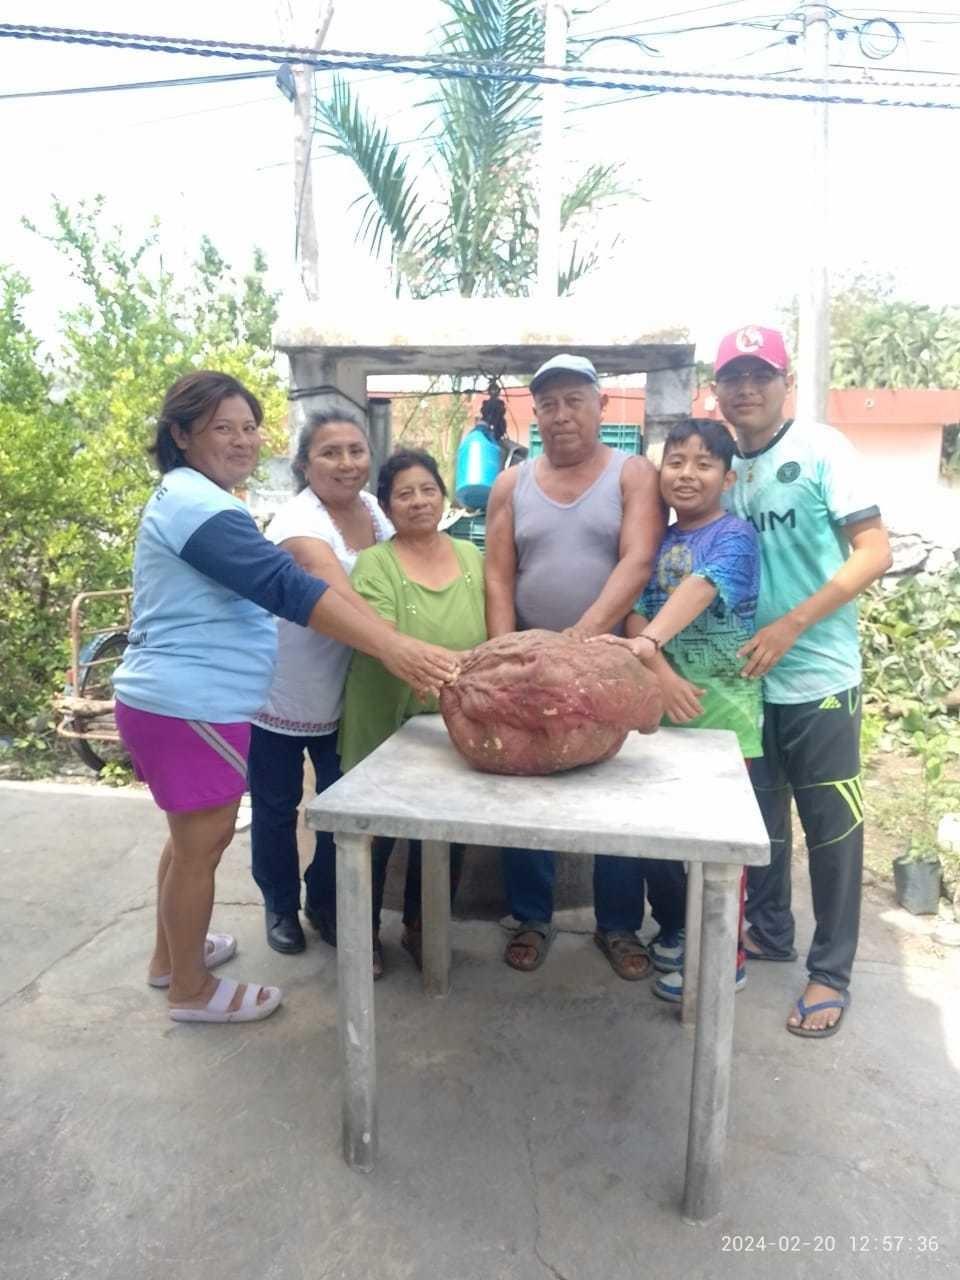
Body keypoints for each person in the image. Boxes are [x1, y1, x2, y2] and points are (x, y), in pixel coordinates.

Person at [112, 373, 458, 1025]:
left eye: (248, 427)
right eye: (222, 428)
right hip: (192, 701)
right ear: (181, 435)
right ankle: (188, 988)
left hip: (178, 699)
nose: (242, 440)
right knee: (203, 844)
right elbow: (287, 586)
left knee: (189, 840)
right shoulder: (202, 508)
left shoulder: (194, 495)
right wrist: (396, 649)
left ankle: (171, 956)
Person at [713, 325, 892, 1038]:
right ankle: (772, 931)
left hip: (818, 677)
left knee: (830, 828)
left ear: (785, 383)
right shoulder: (728, 470)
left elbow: (874, 551)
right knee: (762, 823)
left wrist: (793, 624)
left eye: (761, 375)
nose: (747, 388)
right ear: (718, 388)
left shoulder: (822, 450)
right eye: (734, 376)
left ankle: (831, 971)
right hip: (748, 684)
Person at [484, 353, 668, 980]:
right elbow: (497, 574)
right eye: (548, 405)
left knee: (614, 800)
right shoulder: (512, 483)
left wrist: (582, 639)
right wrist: (499, 658)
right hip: (530, 669)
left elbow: (638, 560)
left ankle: (616, 925)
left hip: (610, 663)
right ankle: (530, 915)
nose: (561, 415)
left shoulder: (632, 474)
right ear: (535, 414)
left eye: (573, 401)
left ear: (601, 406)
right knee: (524, 792)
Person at [591, 418, 762, 1002]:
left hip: (725, 719)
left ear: (727, 476)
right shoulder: (658, 539)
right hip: (661, 712)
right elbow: (639, 611)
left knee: (718, 848)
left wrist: (648, 646)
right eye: (676, 462)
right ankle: (680, 929)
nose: (687, 474)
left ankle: (724, 958)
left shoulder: (736, 536)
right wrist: (657, 673)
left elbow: (700, 591)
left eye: (703, 464)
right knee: (663, 840)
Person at [248, 412, 393, 956]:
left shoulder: (374, 510)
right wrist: (405, 646)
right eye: (330, 452)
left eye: (356, 451)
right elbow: (342, 600)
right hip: (284, 685)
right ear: (305, 463)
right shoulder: (297, 524)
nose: (346, 463)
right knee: (277, 805)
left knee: (344, 804)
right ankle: (279, 905)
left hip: (348, 684)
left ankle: (327, 904)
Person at [338, 448, 487, 976]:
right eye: (404, 493)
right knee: (376, 833)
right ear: (386, 505)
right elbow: (388, 642)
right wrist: (458, 673)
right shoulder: (375, 564)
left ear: (443, 497)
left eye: (428, 489)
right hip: (385, 716)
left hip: (455, 722)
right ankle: (364, 934)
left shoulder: (472, 556)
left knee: (444, 831)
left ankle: (424, 927)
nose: (419, 501)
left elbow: (492, 633)